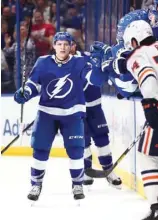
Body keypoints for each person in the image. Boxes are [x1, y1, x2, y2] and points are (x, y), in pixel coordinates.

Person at [13, 32, 108, 201]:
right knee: (40, 150)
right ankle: (36, 184)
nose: (63, 47)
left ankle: (77, 184)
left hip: (72, 114)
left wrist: (100, 67)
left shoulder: (80, 62)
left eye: (66, 44)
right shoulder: (43, 62)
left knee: (76, 150)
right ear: (54, 45)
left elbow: (94, 80)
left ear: (71, 46)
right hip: (47, 113)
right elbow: (33, 84)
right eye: (59, 44)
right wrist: (25, 93)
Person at [122, 20, 158, 220]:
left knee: (148, 157)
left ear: (134, 40)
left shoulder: (137, 55)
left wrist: (149, 104)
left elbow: (147, 76)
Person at [70, 40, 122, 188]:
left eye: (71, 44)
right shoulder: (61, 65)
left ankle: (109, 171)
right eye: (66, 44)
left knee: (102, 139)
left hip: (95, 107)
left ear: (74, 45)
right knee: (83, 142)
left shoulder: (88, 58)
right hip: (76, 110)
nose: (69, 47)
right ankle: (86, 171)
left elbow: (101, 76)